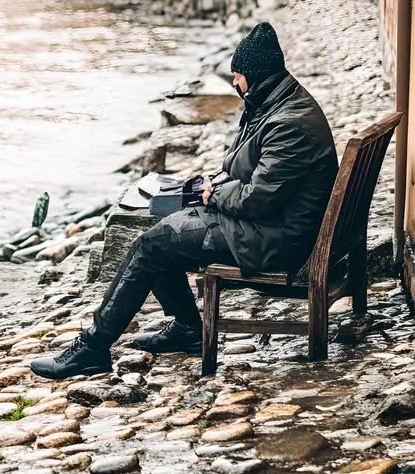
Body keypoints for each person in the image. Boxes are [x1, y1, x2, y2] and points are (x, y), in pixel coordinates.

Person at [30, 22, 338, 380]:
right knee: (161, 229)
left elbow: (259, 199)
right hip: (268, 227)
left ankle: (93, 348)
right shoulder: (277, 103)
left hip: (273, 240)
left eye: (237, 76)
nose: (235, 84)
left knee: (150, 245)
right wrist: (212, 186)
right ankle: (188, 329)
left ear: (255, 75)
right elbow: (251, 173)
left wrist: (215, 193)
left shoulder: (289, 123)